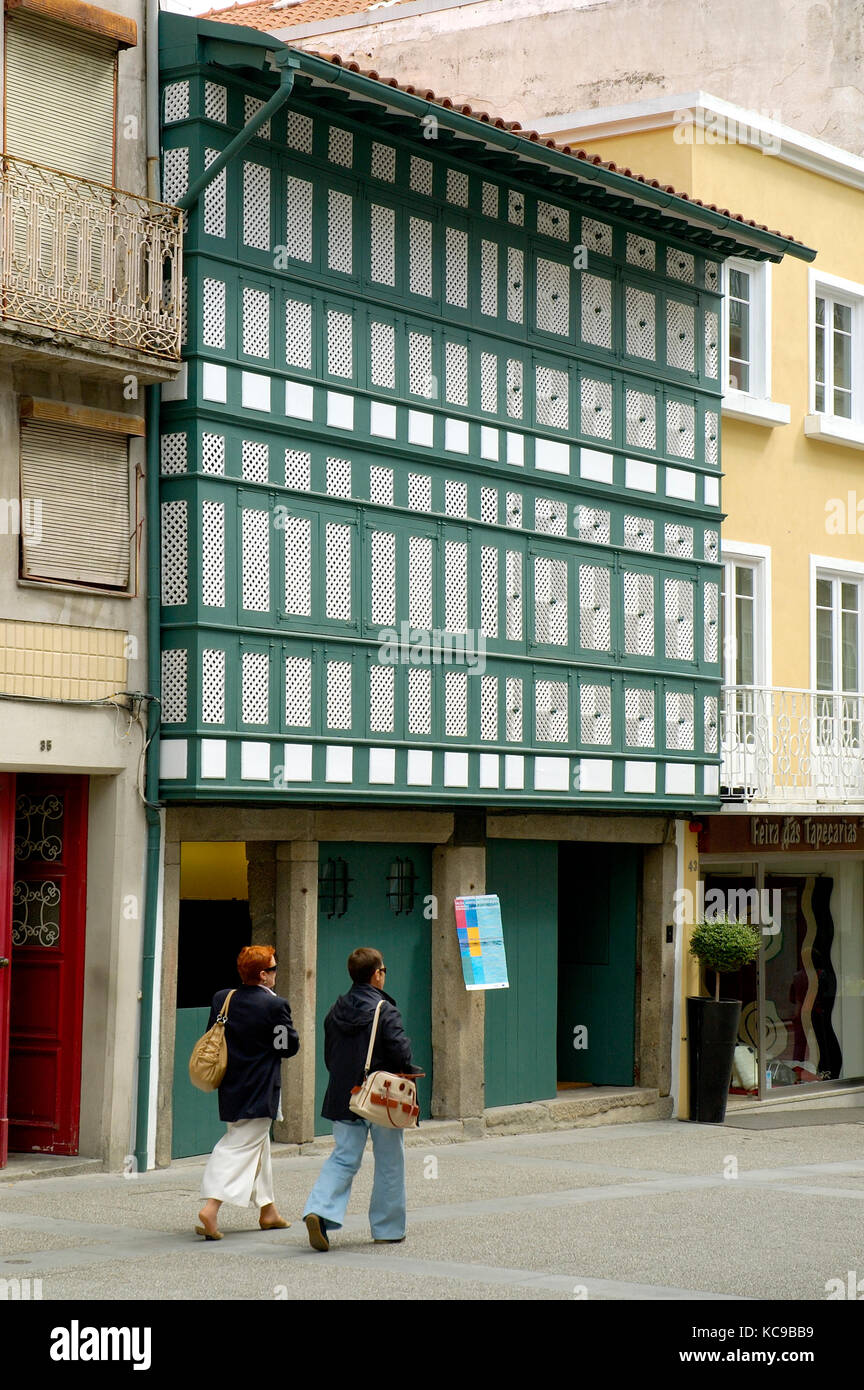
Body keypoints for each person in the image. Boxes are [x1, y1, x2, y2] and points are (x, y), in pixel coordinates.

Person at [303, 946, 420, 1251]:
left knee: (343, 1157)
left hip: (346, 1095)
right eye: (384, 970)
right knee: (389, 1161)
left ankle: (319, 1210)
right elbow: (401, 1052)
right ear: (376, 974)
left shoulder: (336, 1008)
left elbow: (331, 1055)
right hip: (381, 1098)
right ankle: (388, 1228)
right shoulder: (385, 1009)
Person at [196, 944, 299, 1239]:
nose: (277, 974)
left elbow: (213, 1037)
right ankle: (212, 1207)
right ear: (264, 975)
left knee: (257, 1145)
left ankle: (268, 1211)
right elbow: (286, 1047)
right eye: (275, 969)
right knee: (239, 1146)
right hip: (261, 1087)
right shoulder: (275, 1005)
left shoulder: (223, 998)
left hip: (230, 1084)